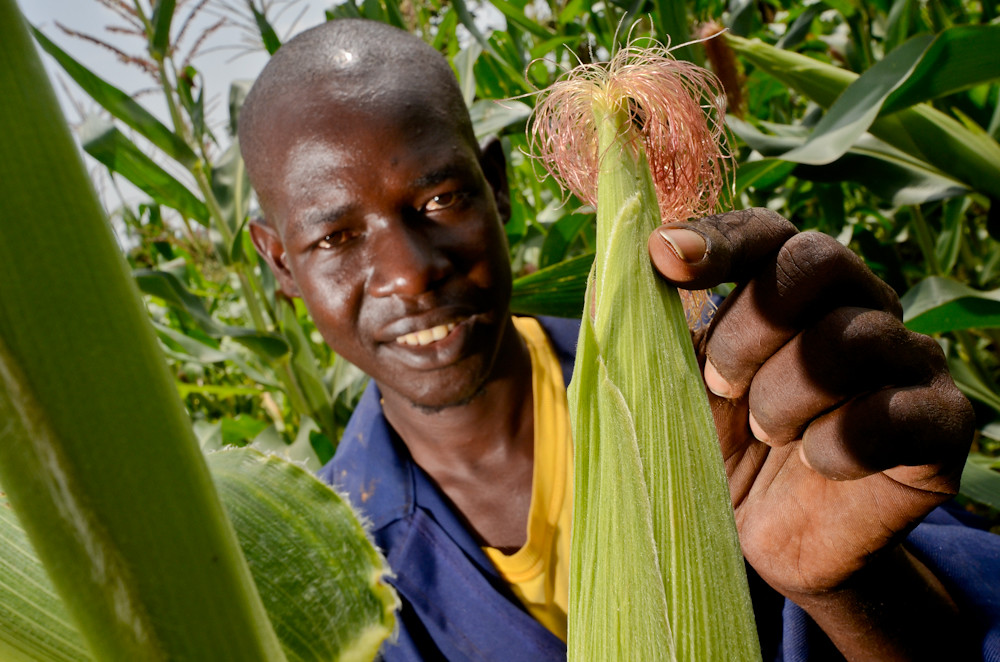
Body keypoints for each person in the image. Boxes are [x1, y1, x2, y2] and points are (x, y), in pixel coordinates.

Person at [238, 18, 1000, 661]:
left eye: (440, 199)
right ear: (279, 262)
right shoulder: (324, 576)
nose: (409, 274)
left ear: (498, 185)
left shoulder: (728, 388)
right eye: (336, 237)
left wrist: (851, 585)